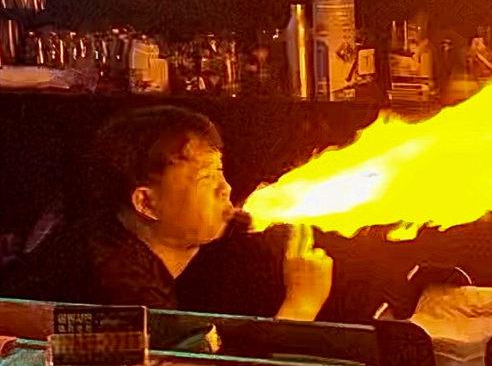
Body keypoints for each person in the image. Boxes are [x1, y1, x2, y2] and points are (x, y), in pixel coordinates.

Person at [2, 105, 333, 322]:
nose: (226, 190)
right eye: (206, 178)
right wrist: (300, 305)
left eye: (220, 174)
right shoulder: (124, 294)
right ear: (146, 203)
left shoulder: (107, 240)